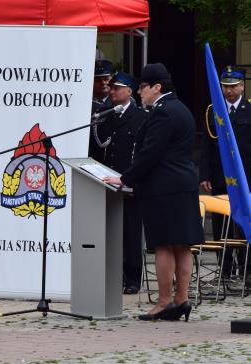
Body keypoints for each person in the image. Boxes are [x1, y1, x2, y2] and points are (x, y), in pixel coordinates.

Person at [104, 63, 203, 321]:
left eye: (143, 87)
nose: (139, 92)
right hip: (182, 184)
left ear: (157, 87)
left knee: (163, 245)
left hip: (164, 186)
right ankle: (182, 299)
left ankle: (164, 301)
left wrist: (126, 178)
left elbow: (150, 153)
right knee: (182, 245)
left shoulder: (163, 112)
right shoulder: (180, 108)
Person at [93, 71, 147, 294]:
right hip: (108, 179)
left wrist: (135, 180)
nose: (112, 91)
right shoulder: (106, 115)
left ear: (130, 91)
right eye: (111, 87)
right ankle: (114, 275)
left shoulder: (142, 116)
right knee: (111, 232)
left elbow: (142, 153)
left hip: (129, 181)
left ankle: (133, 277)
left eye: (117, 87)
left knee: (131, 232)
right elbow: (102, 147)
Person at [199, 66, 250, 281]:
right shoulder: (214, 111)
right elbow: (207, 147)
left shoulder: (249, 110)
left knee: (245, 225)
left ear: (242, 86)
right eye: (225, 86)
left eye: (233, 86)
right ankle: (225, 270)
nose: (229, 91)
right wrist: (205, 174)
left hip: (246, 179)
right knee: (222, 229)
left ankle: (247, 271)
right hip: (221, 178)